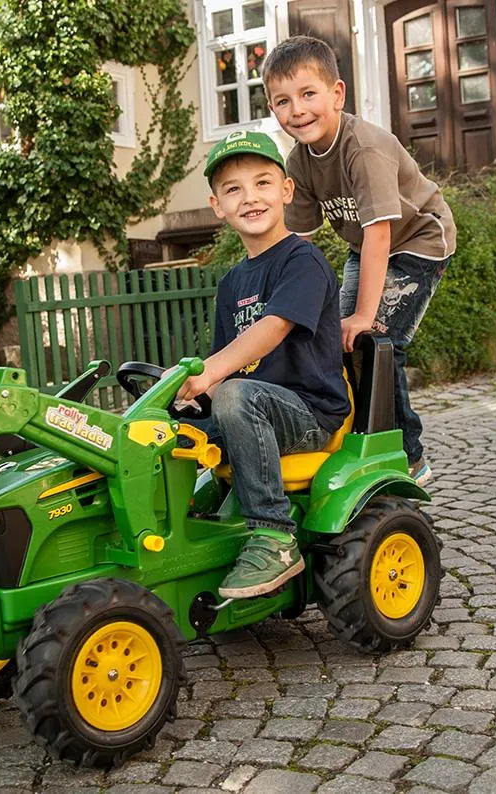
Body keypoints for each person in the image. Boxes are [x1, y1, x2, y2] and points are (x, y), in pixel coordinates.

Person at [262, 35, 454, 486]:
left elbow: (380, 233)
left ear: (337, 93)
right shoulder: (300, 163)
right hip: (365, 247)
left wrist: (365, 315)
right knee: (339, 341)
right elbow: (298, 243)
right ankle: (355, 433)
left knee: (375, 342)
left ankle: (408, 454)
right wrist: (281, 305)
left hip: (418, 240)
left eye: (308, 94)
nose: (297, 110)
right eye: (282, 101)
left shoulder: (362, 149)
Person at [178, 130, 349, 599]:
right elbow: (226, 366)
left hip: (308, 414)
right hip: (249, 408)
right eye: (233, 189)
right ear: (218, 205)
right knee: (159, 429)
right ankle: (173, 535)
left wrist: (213, 374)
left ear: (286, 191)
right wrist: (192, 395)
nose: (249, 198)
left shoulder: (303, 261)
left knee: (233, 395)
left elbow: (271, 329)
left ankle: (274, 536)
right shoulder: (233, 282)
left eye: (262, 183)